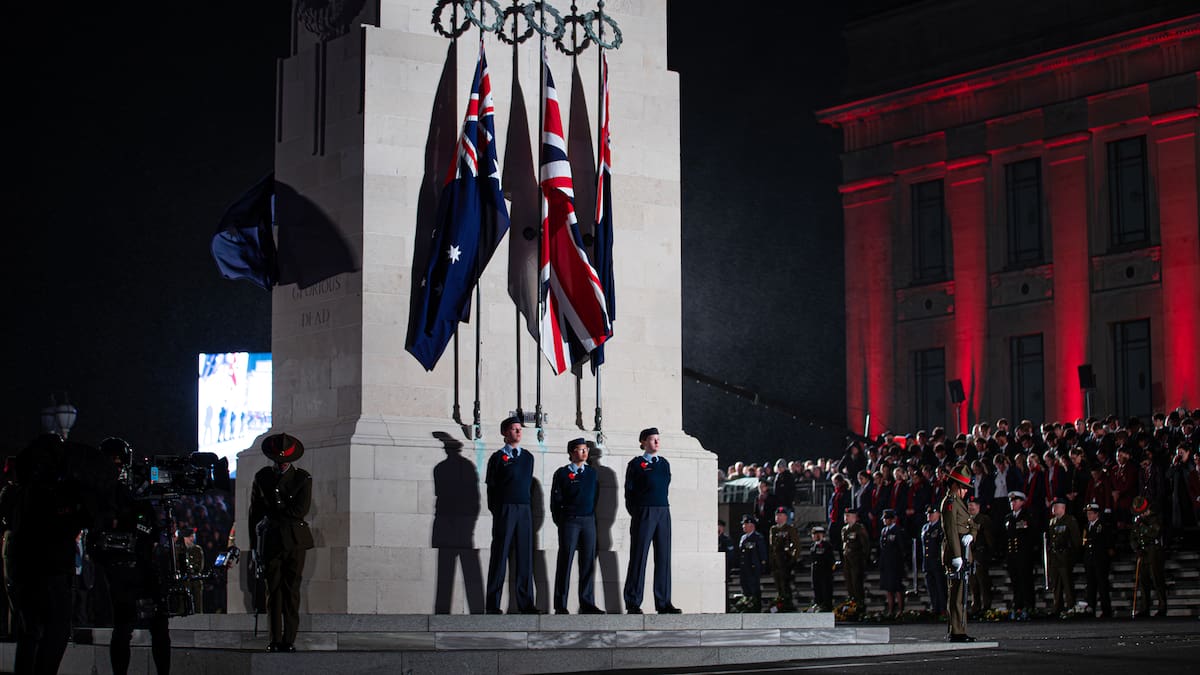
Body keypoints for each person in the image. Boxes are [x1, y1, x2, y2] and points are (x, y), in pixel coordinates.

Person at [1, 434, 93, 675]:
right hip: (50, 572)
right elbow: (71, 522)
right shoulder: (50, 494)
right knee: (56, 630)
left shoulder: (19, 493)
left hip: (25, 573)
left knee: (30, 633)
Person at [92, 436, 172, 675]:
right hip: (119, 568)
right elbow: (96, 537)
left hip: (145, 564)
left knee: (159, 625)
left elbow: (153, 529)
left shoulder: (139, 490)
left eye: (120, 464)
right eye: (112, 464)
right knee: (123, 626)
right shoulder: (99, 494)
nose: (117, 469)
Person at [249, 432, 315, 652]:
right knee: (273, 593)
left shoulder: (302, 478)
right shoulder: (262, 477)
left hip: (293, 542)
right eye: (278, 460)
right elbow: (254, 514)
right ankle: (275, 639)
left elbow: (300, 511)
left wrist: (272, 514)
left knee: (291, 592)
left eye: (284, 460)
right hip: (271, 542)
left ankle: (289, 639)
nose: (281, 464)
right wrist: (253, 547)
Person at [484, 417, 538, 615]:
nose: (518, 432)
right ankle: (492, 604)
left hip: (524, 509)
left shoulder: (528, 457)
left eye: (519, 429)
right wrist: (498, 510)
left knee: (525, 556)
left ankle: (526, 603)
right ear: (505, 433)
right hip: (505, 509)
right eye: (513, 429)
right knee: (500, 555)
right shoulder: (497, 458)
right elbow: (491, 487)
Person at [623, 428, 681, 613]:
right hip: (644, 512)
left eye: (658, 439)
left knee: (663, 557)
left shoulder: (664, 463)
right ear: (643, 442)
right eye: (652, 439)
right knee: (639, 557)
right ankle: (633, 601)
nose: (656, 442)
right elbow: (629, 491)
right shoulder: (636, 464)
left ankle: (664, 602)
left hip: (663, 512)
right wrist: (638, 512)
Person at [550, 438, 603, 615]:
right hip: (569, 521)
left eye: (586, 449)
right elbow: (555, 501)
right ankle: (560, 604)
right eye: (580, 450)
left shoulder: (592, 473)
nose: (584, 453)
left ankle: (587, 602)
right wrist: (563, 520)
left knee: (588, 562)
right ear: (572, 452)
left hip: (588, 521)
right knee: (565, 561)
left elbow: (595, 497)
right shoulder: (562, 473)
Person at [942, 465, 978, 642]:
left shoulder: (958, 502)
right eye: (963, 487)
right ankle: (956, 631)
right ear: (955, 486)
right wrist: (956, 555)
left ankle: (961, 629)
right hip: (956, 554)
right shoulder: (950, 502)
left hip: (964, 552)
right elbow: (950, 531)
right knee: (956, 594)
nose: (965, 491)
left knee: (962, 593)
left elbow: (972, 524)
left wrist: (971, 535)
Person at [1129, 496, 1167, 617]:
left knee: (1157, 579)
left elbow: (1154, 533)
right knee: (1143, 580)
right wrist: (1137, 548)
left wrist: (1143, 526)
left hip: (1153, 550)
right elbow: (1133, 536)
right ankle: (1144, 607)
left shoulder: (1155, 518)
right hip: (1143, 552)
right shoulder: (1138, 520)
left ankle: (1162, 606)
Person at [1045, 498, 1080, 614]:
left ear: (1062, 507)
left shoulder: (1070, 520)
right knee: (1056, 584)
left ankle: (1071, 606)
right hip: (1055, 557)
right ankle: (1057, 606)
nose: (1053, 509)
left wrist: (1073, 556)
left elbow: (1075, 539)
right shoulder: (1052, 521)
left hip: (1065, 556)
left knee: (1067, 583)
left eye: (1056, 506)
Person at [1004, 491, 1037, 614]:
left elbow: (1031, 535)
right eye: (1011, 501)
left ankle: (1029, 605)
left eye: (1016, 501)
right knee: (1015, 580)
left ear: (1022, 502)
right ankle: (1018, 604)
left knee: (1026, 580)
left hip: (1024, 554)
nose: (1013, 503)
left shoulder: (1027, 516)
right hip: (1012, 554)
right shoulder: (1008, 517)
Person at [1081, 502, 1114, 618]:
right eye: (1088, 514)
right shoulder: (1087, 527)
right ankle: (1091, 609)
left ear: (1097, 514)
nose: (1089, 516)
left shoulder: (1102, 526)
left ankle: (1106, 610)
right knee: (1091, 586)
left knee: (1102, 585)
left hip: (1100, 560)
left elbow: (1107, 543)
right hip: (1090, 560)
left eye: (1090, 514)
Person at [768, 506, 801, 610]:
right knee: (778, 584)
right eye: (777, 515)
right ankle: (781, 602)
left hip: (786, 560)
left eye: (781, 515)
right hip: (776, 561)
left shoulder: (790, 529)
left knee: (786, 584)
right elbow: (771, 546)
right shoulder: (773, 529)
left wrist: (793, 559)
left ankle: (788, 604)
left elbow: (796, 546)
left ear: (786, 517)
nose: (779, 517)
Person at [966, 496, 995, 613]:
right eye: (969, 505)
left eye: (973, 505)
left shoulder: (983, 519)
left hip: (980, 553)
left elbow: (989, 537)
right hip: (970, 554)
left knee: (983, 580)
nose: (971, 507)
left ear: (978, 507)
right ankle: (975, 605)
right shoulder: (966, 520)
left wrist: (990, 553)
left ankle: (986, 605)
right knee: (973, 582)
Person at [877, 508, 906, 616]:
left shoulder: (898, 530)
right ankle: (890, 610)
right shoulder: (884, 531)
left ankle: (900, 610)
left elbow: (901, 547)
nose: (885, 521)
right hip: (886, 563)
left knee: (897, 587)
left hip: (895, 563)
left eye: (887, 518)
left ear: (892, 519)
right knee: (888, 588)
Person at [738, 514, 767, 611]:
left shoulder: (757, 537)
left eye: (745, 524)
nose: (743, 526)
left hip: (753, 568)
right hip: (744, 567)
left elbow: (762, 553)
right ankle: (747, 605)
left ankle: (756, 607)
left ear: (751, 525)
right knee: (745, 587)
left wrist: (762, 565)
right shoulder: (743, 538)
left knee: (754, 588)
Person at [920, 505, 946, 615]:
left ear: (938, 514)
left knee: (941, 587)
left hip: (937, 561)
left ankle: (943, 609)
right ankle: (935, 607)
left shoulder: (941, 527)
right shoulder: (925, 527)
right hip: (928, 561)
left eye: (932, 513)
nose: (929, 515)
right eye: (928, 513)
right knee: (931, 587)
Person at [841, 508, 869, 609]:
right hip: (847, 559)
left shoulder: (859, 528)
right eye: (845, 516)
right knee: (849, 582)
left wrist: (864, 559)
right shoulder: (844, 529)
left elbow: (865, 545)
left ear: (854, 517)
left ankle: (859, 603)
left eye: (848, 516)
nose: (846, 518)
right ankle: (852, 601)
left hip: (857, 559)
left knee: (857, 582)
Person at [176, 527, 206, 614]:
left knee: (197, 602)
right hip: (183, 580)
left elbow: (199, 566)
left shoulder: (197, 549)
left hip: (195, 579)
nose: (192, 539)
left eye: (193, 536)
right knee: (182, 603)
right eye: (190, 537)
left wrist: (191, 568)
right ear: (185, 538)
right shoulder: (178, 550)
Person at [809, 525, 834, 611]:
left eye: (818, 534)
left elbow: (830, 559)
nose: (816, 536)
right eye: (814, 535)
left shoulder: (827, 545)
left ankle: (825, 605)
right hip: (815, 571)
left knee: (825, 589)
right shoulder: (813, 546)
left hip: (824, 571)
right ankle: (818, 603)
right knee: (817, 588)